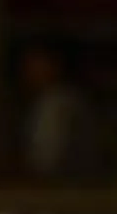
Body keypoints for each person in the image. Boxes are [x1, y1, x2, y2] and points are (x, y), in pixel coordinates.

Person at [19, 39, 100, 181]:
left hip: (67, 186)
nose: (28, 70)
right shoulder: (54, 100)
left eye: (36, 63)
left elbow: (46, 163)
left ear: (56, 65)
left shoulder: (58, 104)